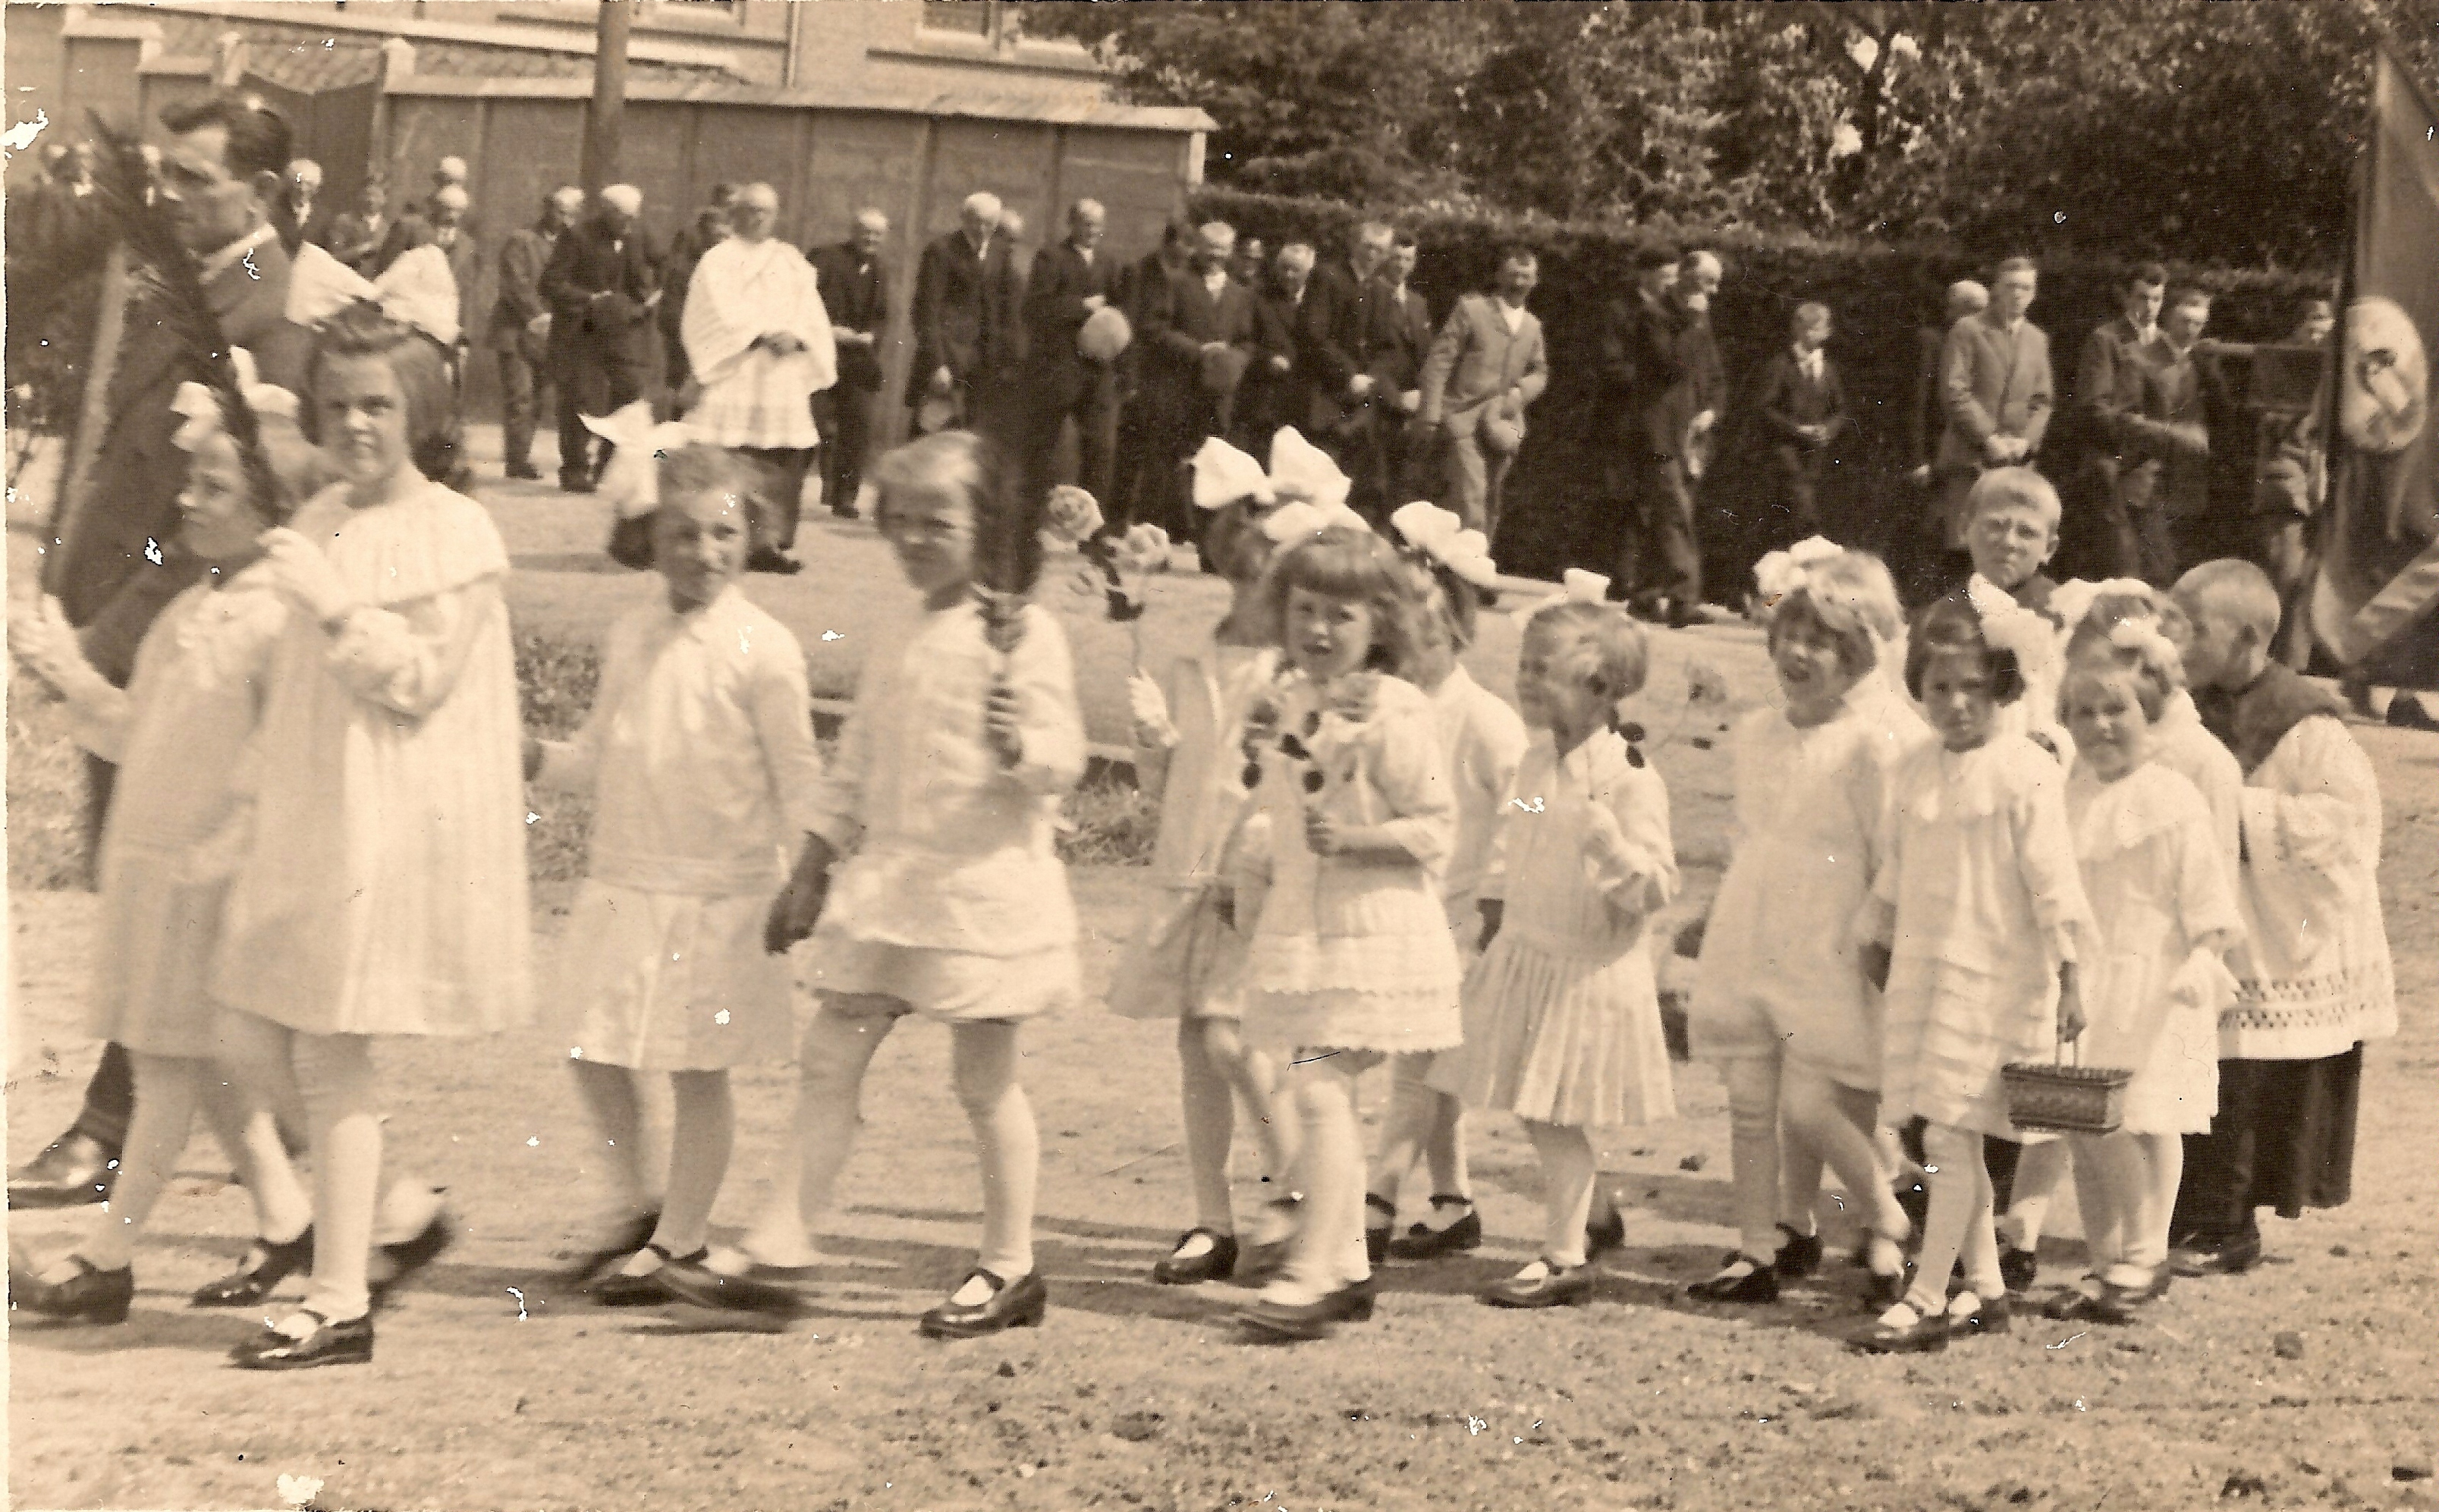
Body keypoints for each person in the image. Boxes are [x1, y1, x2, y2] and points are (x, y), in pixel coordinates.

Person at [673, 432, 1086, 1339]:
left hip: (982, 893)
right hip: (893, 889)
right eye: (897, 523)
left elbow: (1064, 760)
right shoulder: (902, 627)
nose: (913, 540)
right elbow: (855, 768)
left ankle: (1010, 1265)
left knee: (983, 1080)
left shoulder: (1021, 634)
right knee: (829, 1056)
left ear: (984, 527)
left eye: (936, 522)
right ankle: (779, 1246)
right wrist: (811, 870)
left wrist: (1024, 748)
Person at [213, 306, 532, 1369]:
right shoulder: (317, 517)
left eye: (378, 405)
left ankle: (340, 1294)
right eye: (339, 405)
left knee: (326, 1049)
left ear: (421, 412)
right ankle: (389, 1216)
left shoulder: (453, 531)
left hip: (384, 817)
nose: (355, 425)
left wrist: (341, 606)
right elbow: (289, 675)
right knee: (250, 1037)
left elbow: (421, 687)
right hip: (311, 804)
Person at [14, 93, 316, 1213]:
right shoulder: (168, 285)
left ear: (266, 196)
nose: (171, 200)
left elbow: (203, 525)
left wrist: (98, 638)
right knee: (143, 890)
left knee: (165, 896)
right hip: (120, 637)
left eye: (195, 181)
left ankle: (114, 1124)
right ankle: (270, 1149)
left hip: (177, 650)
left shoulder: (264, 323)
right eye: (165, 178)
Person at [5, 360, 327, 1327]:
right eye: (189, 483)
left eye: (212, 487)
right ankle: (286, 1216)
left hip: (211, 875)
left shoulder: (279, 620)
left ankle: (107, 1258)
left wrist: (235, 853)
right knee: (190, 1065)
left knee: (165, 1068)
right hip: (154, 869)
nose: (186, 499)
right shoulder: (190, 608)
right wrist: (64, 670)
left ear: (271, 506)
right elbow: (133, 731)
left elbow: (279, 764)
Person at [526, 442, 826, 1306]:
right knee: (592, 1044)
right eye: (683, 534)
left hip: (719, 890)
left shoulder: (763, 648)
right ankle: (639, 1209)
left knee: (699, 1065)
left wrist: (807, 872)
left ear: (752, 537)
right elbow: (593, 755)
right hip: (627, 880)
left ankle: (682, 1240)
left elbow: (799, 775)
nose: (703, 552)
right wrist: (531, 758)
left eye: (723, 534)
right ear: (651, 537)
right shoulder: (632, 632)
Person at [1231, 524, 1462, 1340]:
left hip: (1377, 935)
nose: (1318, 630)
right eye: (1304, 610)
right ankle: (1351, 1266)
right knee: (1314, 1082)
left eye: (1340, 615)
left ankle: (1316, 1267)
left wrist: (1357, 841)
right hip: (1311, 930)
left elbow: (1436, 827)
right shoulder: (1297, 700)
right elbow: (1280, 812)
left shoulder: (1395, 710)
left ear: (1381, 627)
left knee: (1316, 1084)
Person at [1852, 590, 2093, 1353]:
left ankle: (1928, 1294)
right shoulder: (1914, 768)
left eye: (1972, 689)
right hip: (1926, 972)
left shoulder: (2022, 771)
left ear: (2003, 689)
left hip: (1993, 978)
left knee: (1954, 1136)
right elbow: (1896, 866)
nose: (1955, 705)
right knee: (1947, 1131)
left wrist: (2071, 971)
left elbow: (2053, 881)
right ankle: (1985, 1287)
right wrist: (1874, 932)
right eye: (1937, 689)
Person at [1429, 580, 1674, 1307]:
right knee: (1533, 1102)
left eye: (1544, 668)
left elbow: (1654, 888)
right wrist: (1498, 901)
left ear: (1599, 687)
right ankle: (1593, 1214)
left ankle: (1565, 1254)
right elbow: (1527, 827)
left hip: (1585, 968)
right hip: (1531, 950)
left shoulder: (1629, 779)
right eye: (1525, 665)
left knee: (1552, 1110)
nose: (1526, 680)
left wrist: (1612, 849)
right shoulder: (1537, 763)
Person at [1995, 582, 2245, 1281]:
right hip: (2086, 983)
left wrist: (2201, 959)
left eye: (2117, 710)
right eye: (2083, 711)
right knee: (2082, 1125)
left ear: (2152, 711)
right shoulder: (2067, 791)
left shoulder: (2171, 799)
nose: (2100, 725)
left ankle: (2146, 1248)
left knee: (2148, 1116)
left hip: (2154, 980)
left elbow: (2209, 902)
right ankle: (2107, 1256)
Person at [1688, 549, 1916, 1308]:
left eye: (1824, 642)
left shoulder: (1875, 741)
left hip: (1834, 939)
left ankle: (1884, 1215)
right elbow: (1753, 831)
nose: (1798, 653)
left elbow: (1892, 853)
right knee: (1750, 1096)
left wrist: (1879, 935)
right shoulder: (1757, 731)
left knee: (1816, 1103)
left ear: (1863, 655)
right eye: (1788, 633)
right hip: (1755, 930)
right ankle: (1759, 1244)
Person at [2166, 561, 2396, 1278]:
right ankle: (2183, 1210)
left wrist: (2239, 816)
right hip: (2215, 910)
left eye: (2191, 627)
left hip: (2279, 922)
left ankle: (2226, 1224)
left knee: (2245, 1079)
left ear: (2247, 637)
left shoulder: (2308, 722)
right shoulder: (2181, 703)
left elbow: (2347, 826)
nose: (2173, 638)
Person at [1109, 476, 1300, 1286]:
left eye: (1264, 570)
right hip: (1188, 866)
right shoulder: (1197, 655)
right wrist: (1154, 737)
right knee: (1197, 1042)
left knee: (1233, 1038)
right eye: (1236, 566)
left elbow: (1289, 782)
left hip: (1250, 873)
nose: (1247, 584)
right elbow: (1172, 782)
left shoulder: (1291, 672)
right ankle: (1209, 1217)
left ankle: (1298, 1188)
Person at [1366, 508, 1527, 1268]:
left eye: (1425, 625)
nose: (1409, 642)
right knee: (1429, 1064)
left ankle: (1373, 1195)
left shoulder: (1486, 721)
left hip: (1458, 919)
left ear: (1456, 626)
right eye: (1397, 625)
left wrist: (1501, 888)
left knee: (1417, 1063)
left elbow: (1525, 805)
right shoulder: (1385, 708)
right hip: (1391, 910)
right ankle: (1453, 1199)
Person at [679, 182, 838, 574]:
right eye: (750, 209)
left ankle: (770, 544)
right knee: (728, 455)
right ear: (736, 213)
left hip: (780, 374)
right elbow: (711, 311)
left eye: (765, 211)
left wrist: (797, 335)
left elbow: (810, 310)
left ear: (776, 214)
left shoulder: (789, 260)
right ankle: (722, 539)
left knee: (781, 459)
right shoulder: (718, 259)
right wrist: (762, 334)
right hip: (738, 366)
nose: (757, 217)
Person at [1135, 222, 1259, 541]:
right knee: (1168, 464)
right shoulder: (1176, 283)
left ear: (1231, 253)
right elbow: (1154, 330)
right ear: (1199, 249)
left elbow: (1247, 341)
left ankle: (1207, 540)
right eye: (1210, 250)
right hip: (1179, 390)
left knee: (1213, 465)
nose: (1215, 256)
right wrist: (1198, 350)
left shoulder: (1241, 295)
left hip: (1219, 395)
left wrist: (1235, 360)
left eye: (1222, 250)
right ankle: (1158, 536)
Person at [1416, 246, 1548, 543]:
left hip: (1503, 425)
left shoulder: (1531, 326)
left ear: (1535, 281)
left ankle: (1475, 568)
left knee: (1493, 499)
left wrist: (1519, 393)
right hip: (1462, 418)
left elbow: (1540, 371)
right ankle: (1468, 571)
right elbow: (1440, 362)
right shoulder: (1472, 310)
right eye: (1513, 275)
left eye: (1527, 277)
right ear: (1499, 276)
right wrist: (1431, 413)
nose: (1519, 283)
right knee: (1470, 496)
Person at [1595, 245, 1696, 623]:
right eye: (1666, 275)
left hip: (1660, 426)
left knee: (1656, 505)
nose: (1671, 282)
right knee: (1645, 504)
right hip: (1629, 423)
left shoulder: (1671, 315)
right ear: (1646, 275)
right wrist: (1650, 382)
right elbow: (1613, 366)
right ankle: (1655, 589)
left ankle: (1646, 591)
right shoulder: (1620, 312)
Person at [1935, 258, 2054, 580]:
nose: (2017, 294)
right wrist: (1988, 438)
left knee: (2008, 554)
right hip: (1971, 457)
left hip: (2015, 464)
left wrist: (2024, 441)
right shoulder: (1968, 330)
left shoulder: (2037, 338)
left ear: (2034, 294)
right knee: (1965, 550)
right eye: (2010, 286)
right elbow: (1954, 390)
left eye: (2025, 287)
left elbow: (2043, 401)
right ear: (1996, 290)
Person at [540, 184, 660, 492]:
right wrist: (591, 299)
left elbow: (665, 266)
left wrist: (650, 299)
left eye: (634, 218)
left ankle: (608, 466)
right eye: (623, 218)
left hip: (622, 331)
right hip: (582, 332)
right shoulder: (578, 236)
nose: (629, 225)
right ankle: (575, 469)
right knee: (580, 399)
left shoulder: (639, 235)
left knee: (629, 393)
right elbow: (551, 283)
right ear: (606, 213)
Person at [1020, 200, 1124, 522]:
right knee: (1043, 444)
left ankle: (1092, 525)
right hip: (1057, 369)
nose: (1093, 231)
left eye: (1098, 224)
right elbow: (1035, 309)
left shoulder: (1109, 264)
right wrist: (1081, 307)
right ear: (1072, 224)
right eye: (1086, 224)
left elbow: (1120, 311)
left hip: (1097, 371)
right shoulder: (1051, 257)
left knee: (1101, 447)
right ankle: (1030, 516)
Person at [2067, 264, 2168, 583]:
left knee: (2160, 570)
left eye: (2156, 299)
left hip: (2157, 472)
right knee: (2123, 571)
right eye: (2142, 298)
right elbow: (2093, 407)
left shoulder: (2167, 344)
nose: (2149, 307)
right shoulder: (2106, 340)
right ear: (2126, 298)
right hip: (2116, 467)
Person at [1739, 302, 1853, 581]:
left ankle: (1784, 589)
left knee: (1791, 520)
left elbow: (1841, 409)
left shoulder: (1829, 368)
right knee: (1800, 515)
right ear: (1797, 329)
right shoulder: (1780, 365)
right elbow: (1764, 408)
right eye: (1808, 328)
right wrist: (1798, 429)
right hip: (1784, 452)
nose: (1814, 335)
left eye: (1820, 329)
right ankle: (1763, 589)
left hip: (1817, 455)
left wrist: (1829, 428)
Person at [907, 192, 1023, 442]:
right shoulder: (941, 251)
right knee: (929, 432)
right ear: (963, 219)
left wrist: (1006, 358)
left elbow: (1008, 309)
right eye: (976, 222)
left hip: (982, 362)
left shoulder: (1000, 253)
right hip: (947, 358)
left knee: (969, 436)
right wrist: (938, 363)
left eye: (989, 224)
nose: (982, 229)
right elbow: (925, 311)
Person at [1295, 222, 1396, 500]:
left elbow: (1388, 348)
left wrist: (1370, 378)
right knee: (1314, 483)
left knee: (1353, 487)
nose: (1373, 254)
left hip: (1360, 403)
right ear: (1354, 245)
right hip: (1324, 395)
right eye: (1368, 246)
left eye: (1381, 250)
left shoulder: (1383, 291)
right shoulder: (1327, 277)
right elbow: (1314, 334)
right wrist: (1349, 375)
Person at [489, 186, 583, 482]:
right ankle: (516, 460)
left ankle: (522, 458)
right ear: (547, 209)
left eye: (571, 215)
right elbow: (515, 283)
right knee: (521, 395)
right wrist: (537, 315)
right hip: (516, 331)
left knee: (540, 396)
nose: (566, 221)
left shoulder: (573, 245)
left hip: (551, 333)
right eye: (561, 213)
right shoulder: (522, 240)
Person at [811, 209, 894, 520]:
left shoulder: (879, 269)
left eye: (877, 234)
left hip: (859, 361)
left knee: (858, 426)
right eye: (865, 232)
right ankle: (823, 484)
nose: (870, 239)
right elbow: (806, 301)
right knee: (815, 425)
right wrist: (830, 331)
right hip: (823, 353)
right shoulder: (826, 258)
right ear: (853, 231)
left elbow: (882, 314)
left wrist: (872, 336)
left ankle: (845, 497)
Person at [2142, 290, 2229, 578]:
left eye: (2198, 323)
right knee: (2155, 561)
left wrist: (2212, 369)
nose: (2191, 330)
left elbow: (2223, 415)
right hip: (2153, 471)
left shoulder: (2201, 361)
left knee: (2185, 559)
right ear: (2168, 318)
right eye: (2185, 321)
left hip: (2190, 476)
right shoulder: (2144, 356)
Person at [1371, 232, 1435, 507]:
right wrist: (1397, 399)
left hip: (1413, 403)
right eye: (1396, 257)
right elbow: (1369, 355)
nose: (1401, 265)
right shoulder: (1369, 294)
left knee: (1407, 482)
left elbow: (1427, 354)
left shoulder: (1418, 303)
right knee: (1377, 481)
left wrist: (1421, 394)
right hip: (1380, 400)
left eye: (1407, 259)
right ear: (1386, 258)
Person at [661, 184, 737, 407]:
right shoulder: (693, 236)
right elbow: (676, 276)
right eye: (728, 205)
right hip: (687, 319)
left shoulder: (733, 239)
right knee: (682, 383)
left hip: (715, 326)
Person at [1237, 242, 1315, 456]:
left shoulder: (1317, 302)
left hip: (1307, 402)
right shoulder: (1259, 298)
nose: (1288, 275)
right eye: (1284, 268)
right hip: (1267, 397)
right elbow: (1244, 340)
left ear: (1308, 272)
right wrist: (1268, 359)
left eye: (1295, 270)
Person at [322, 178, 391, 278]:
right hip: (346, 280)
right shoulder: (344, 221)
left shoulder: (388, 229)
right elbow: (333, 256)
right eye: (367, 194)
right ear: (360, 196)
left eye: (376, 196)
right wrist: (363, 249)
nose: (371, 200)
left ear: (385, 199)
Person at [274, 157, 324, 254]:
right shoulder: (274, 211)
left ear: (316, 188)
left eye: (309, 184)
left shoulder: (323, 218)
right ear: (289, 183)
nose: (303, 189)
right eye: (298, 183)